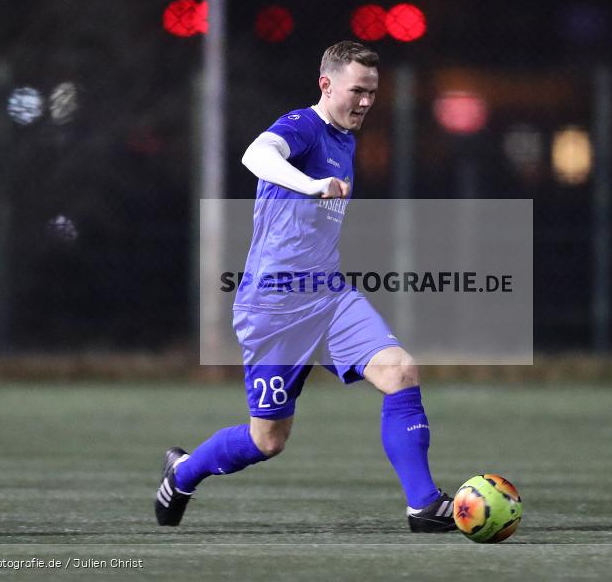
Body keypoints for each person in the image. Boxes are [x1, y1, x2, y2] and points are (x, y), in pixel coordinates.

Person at [155, 41, 455, 533]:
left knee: (400, 370)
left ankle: (423, 505)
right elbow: (256, 154)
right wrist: (311, 185)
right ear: (326, 84)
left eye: (372, 92)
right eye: (357, 90)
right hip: (272, 306)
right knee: (267, 441)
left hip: (328, 296)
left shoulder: (345, 139)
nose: (366, 101)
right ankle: (183, 473)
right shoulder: (304, 126)